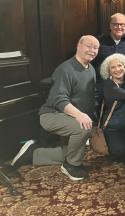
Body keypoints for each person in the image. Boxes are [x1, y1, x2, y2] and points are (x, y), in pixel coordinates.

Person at [10, 36, 100, 181]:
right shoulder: (65, 69)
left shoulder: (91, 70)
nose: (92, 50)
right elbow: (59, 99)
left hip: (70, 116)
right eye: (89, 46)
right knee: (83, 128)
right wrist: (80, 116)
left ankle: (32, 153)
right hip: (52, 115)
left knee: (69, 152)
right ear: (79, 45)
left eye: (96, 48)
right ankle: (72, 165)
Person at [94, 13, 125, 82]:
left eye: (122, 24)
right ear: (110, 25)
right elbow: (95, 63)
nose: (119, 27)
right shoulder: (100, 41)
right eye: (115, 24)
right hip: (106, 83)